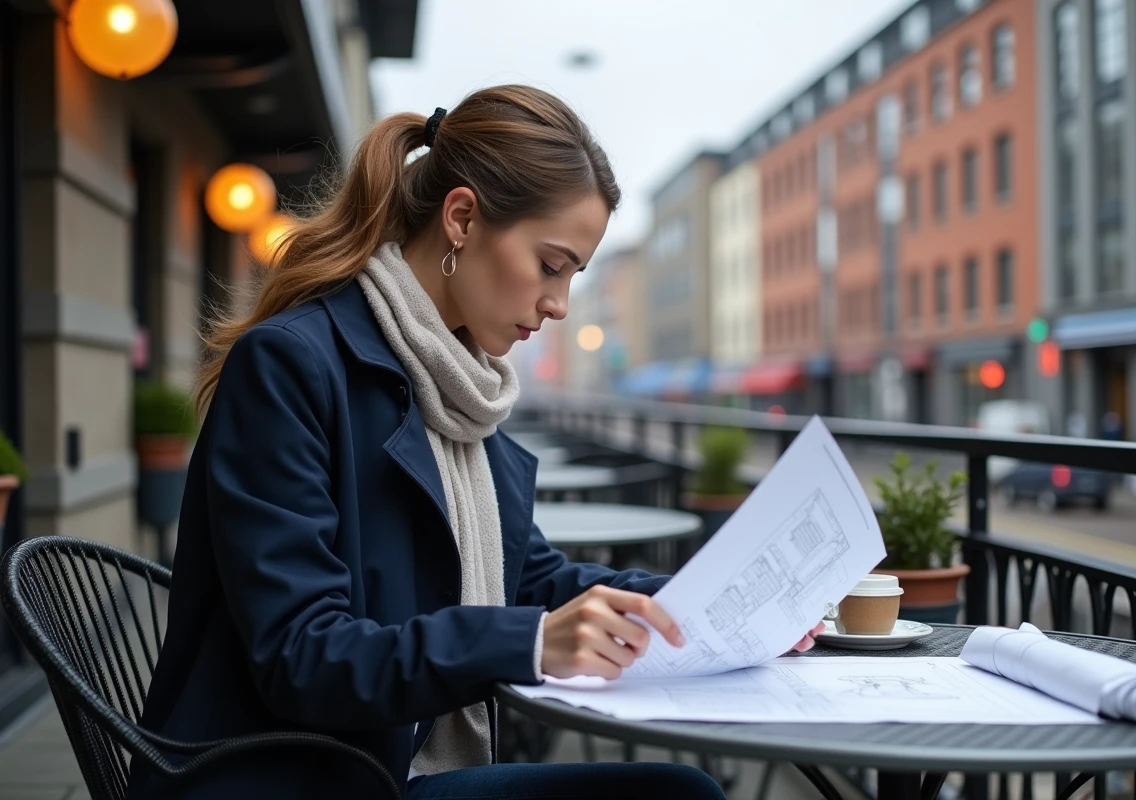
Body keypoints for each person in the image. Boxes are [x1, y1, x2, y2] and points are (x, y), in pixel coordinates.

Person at [126, 85, 822, 799]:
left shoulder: (452, 384)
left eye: (573, 275)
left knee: (680, 789)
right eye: (551, 266)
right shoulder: (292, 367)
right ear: (461, 218)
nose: (558, 304)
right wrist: (526, 642)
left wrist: (722, 606)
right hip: (294, 777)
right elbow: (303, 655)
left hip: (386, 761)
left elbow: (531, 578)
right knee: (680, 795)